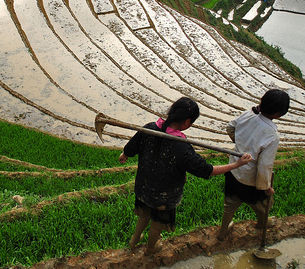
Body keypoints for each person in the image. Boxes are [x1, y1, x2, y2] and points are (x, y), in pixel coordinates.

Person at [119, 97, 253, 255]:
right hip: (164, 195)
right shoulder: (181, 148)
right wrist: (236, 165)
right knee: (157, 223)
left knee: (144, 213)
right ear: (187, 121)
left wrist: (124, 154)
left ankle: (134, 240)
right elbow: (207, 170)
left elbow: (132, 146)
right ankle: (151, 248)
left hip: (143, 186)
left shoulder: (149, 128)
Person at [217, 89, 290, 240]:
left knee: (230, 204)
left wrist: (240, 145)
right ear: (278, 114)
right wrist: (266, 187)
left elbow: (231, 127)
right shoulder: (272, 135)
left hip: (234, 169)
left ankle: (223, 231)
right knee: (263, 205)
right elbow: (264, 166)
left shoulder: (248, 114)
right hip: (250, 179)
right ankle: (263, 223)